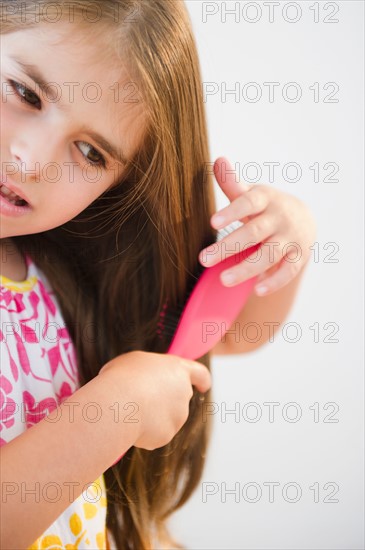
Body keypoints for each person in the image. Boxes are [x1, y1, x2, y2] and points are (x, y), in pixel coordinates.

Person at [0, 1, 316, 549]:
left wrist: (282, 248)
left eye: (91, 152)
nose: (31, 161)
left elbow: (230, 337)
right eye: (26, 94)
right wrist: (108, 414)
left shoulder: (49, 276)